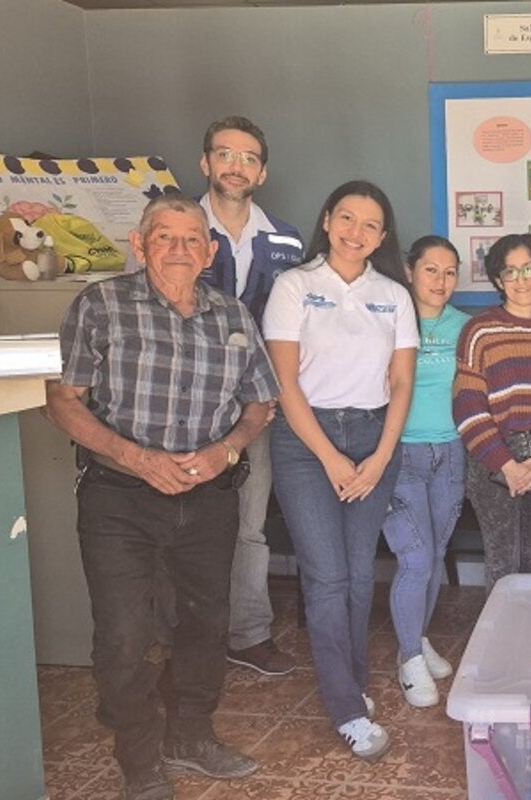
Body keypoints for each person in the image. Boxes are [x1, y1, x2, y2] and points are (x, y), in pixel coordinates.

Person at [45, 193, 278, 800]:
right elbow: (63, 401)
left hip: (208, 497)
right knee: (125, 634)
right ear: (139, 244)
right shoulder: (100, 305)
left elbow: (260, 404)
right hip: (120, 497)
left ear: (208, 251)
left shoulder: (231, 315)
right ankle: (139, 758)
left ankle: (191, 734)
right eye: (164, 237)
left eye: (191, 239)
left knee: (205, 623)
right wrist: (137, 457)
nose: (179, 249)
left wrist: (227, 451)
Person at [265, 181, 417, 760]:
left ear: (383, 236)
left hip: (374, 437)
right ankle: (347, 708)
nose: (357, 232)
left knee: (358, 575)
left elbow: (401, 382)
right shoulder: (294, 286)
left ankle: (350, 680)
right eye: (347, 218)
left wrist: (378, 457)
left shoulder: (392, 295)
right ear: (328, 220)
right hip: (308, 444)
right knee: (326, 577)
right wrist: (331, 457)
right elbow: (284, 382)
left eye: (371, 225)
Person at [197, 115, 305, 676]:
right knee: (176, 520)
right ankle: (184, 638)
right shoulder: (177, 229)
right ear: (206, 164)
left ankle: (248, 633)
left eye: (247, 158)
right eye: (224, 154)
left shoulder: (286, 239)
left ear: (262, 172)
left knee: (249, 524)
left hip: (256, 406)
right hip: (183, 404)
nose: (235, 166)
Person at [453, 233, 531, 588]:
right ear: (498, 280)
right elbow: (468, 407)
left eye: (529, 269)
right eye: (510, 272)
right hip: (493, 460)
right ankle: (500, 643)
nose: (521, 280)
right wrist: (506, 465)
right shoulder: (479, 331)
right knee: (502, 560)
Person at [382, 236, 467, 707]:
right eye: (431, 269)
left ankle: (416, 638)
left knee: (433, 554)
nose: (441, 280)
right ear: (410, 271)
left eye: (450, 271)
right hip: (399, 455)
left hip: (450, 454)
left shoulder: (465, 327)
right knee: (414, 559)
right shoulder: (389, 317)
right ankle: (410, 657)